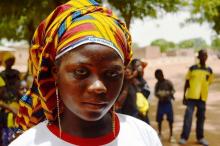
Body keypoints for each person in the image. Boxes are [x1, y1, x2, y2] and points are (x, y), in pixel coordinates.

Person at [9, 1, 162, 146]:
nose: (98, 87)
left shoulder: (143, 135)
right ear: (55, 73)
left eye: (112, 73)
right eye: (81, 71)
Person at [179, 49, 213, 146]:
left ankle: (200, 138)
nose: (203, 57)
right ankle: (184, 137)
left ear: (207, 57)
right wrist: (184, 97)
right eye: (202, 55)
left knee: (201, 118)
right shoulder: (192, 68)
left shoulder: (209, 70)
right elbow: (187, 82)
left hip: (202, 98)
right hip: (191, 98)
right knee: (188, 118)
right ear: (198, 57)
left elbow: (209, 82)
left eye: (205, 55)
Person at [154, 69, 175, 142]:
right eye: (156, 76)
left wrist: (168, 93)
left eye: (158, 76)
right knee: (159, 119)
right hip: (161, 103)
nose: (157, 77)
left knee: (170, 120)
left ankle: (171, 135)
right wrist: (160, 94)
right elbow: (155, 93)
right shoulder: (157, 84)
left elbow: (173, 90)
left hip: (168, 103)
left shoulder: (168, 82)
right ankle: (160, 133)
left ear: (162, 74)